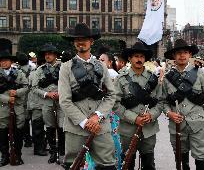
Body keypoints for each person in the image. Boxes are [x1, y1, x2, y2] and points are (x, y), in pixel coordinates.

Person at [59, 23, 117, 170]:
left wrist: (97, 116)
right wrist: (85, 122)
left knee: (107, 164)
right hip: (75, 127)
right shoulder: (65, 68)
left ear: (91, 41)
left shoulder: (102, 66)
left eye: (84, 38)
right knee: (73, 164)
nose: (80, 41)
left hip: (100, 125)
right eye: (77, 38)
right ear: (73, 42)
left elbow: (111, 95)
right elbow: (64, 101)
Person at [163, 39, 204, 170]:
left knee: (202, 157)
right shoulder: (168, 78)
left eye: (185, 52)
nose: (182, 55)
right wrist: (169, 113)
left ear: (190, 55)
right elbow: (163, 101)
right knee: (181, 159)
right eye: (179, 53)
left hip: (198, 124)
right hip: (177, 125)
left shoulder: (200, 73)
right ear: (174, 56)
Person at [113, 41, 163, 170]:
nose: (139, 59)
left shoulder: (153, 78)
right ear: (130, 58)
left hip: (148, 128)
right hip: (128, 129)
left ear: (145, 59)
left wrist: (151, 115)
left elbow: (161, 101)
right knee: (128, 163)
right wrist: (134, 118)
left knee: (149, 164)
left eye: (141, 56)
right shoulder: (121, 78)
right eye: (136, 56)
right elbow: (115, 104)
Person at [32, 44, 65, 163]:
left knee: (62, 126)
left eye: (50, 54)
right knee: (50, 127)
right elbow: (34, 88)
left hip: (62, 101)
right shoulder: (40, 70)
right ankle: (53, 152)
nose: (47, 56)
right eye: (46, 54)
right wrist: (47, 94)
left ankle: (63, 151)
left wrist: (62, 93)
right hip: (47, 102)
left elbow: (71, 84)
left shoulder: (64, 67)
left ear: (55, 55)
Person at [0, 50, 29, 166]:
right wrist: (7, 99)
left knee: (18, 133)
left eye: (6, 60)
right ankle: (5, 156)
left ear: (11, 62)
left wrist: (16, 92)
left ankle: (17, 155)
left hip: (17, 107)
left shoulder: (19, 73)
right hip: (3, 108)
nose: (3, 63)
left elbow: (26, 86)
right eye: (1, 61)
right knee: (2, 133)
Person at [27, 56, 48, 156]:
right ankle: (39, 148)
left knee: (38, 127)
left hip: (36, 103)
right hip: (37, 104)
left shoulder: (33, 72)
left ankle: (41, 147)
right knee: (38, 127)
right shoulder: (37, 73)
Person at [16, 52, 34, 148]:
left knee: (24, 119)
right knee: (35, 119)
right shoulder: (34, 69)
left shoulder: (17, 70)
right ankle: (36, 138)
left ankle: (27, 139)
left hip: (22, 98)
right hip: (33, 97)